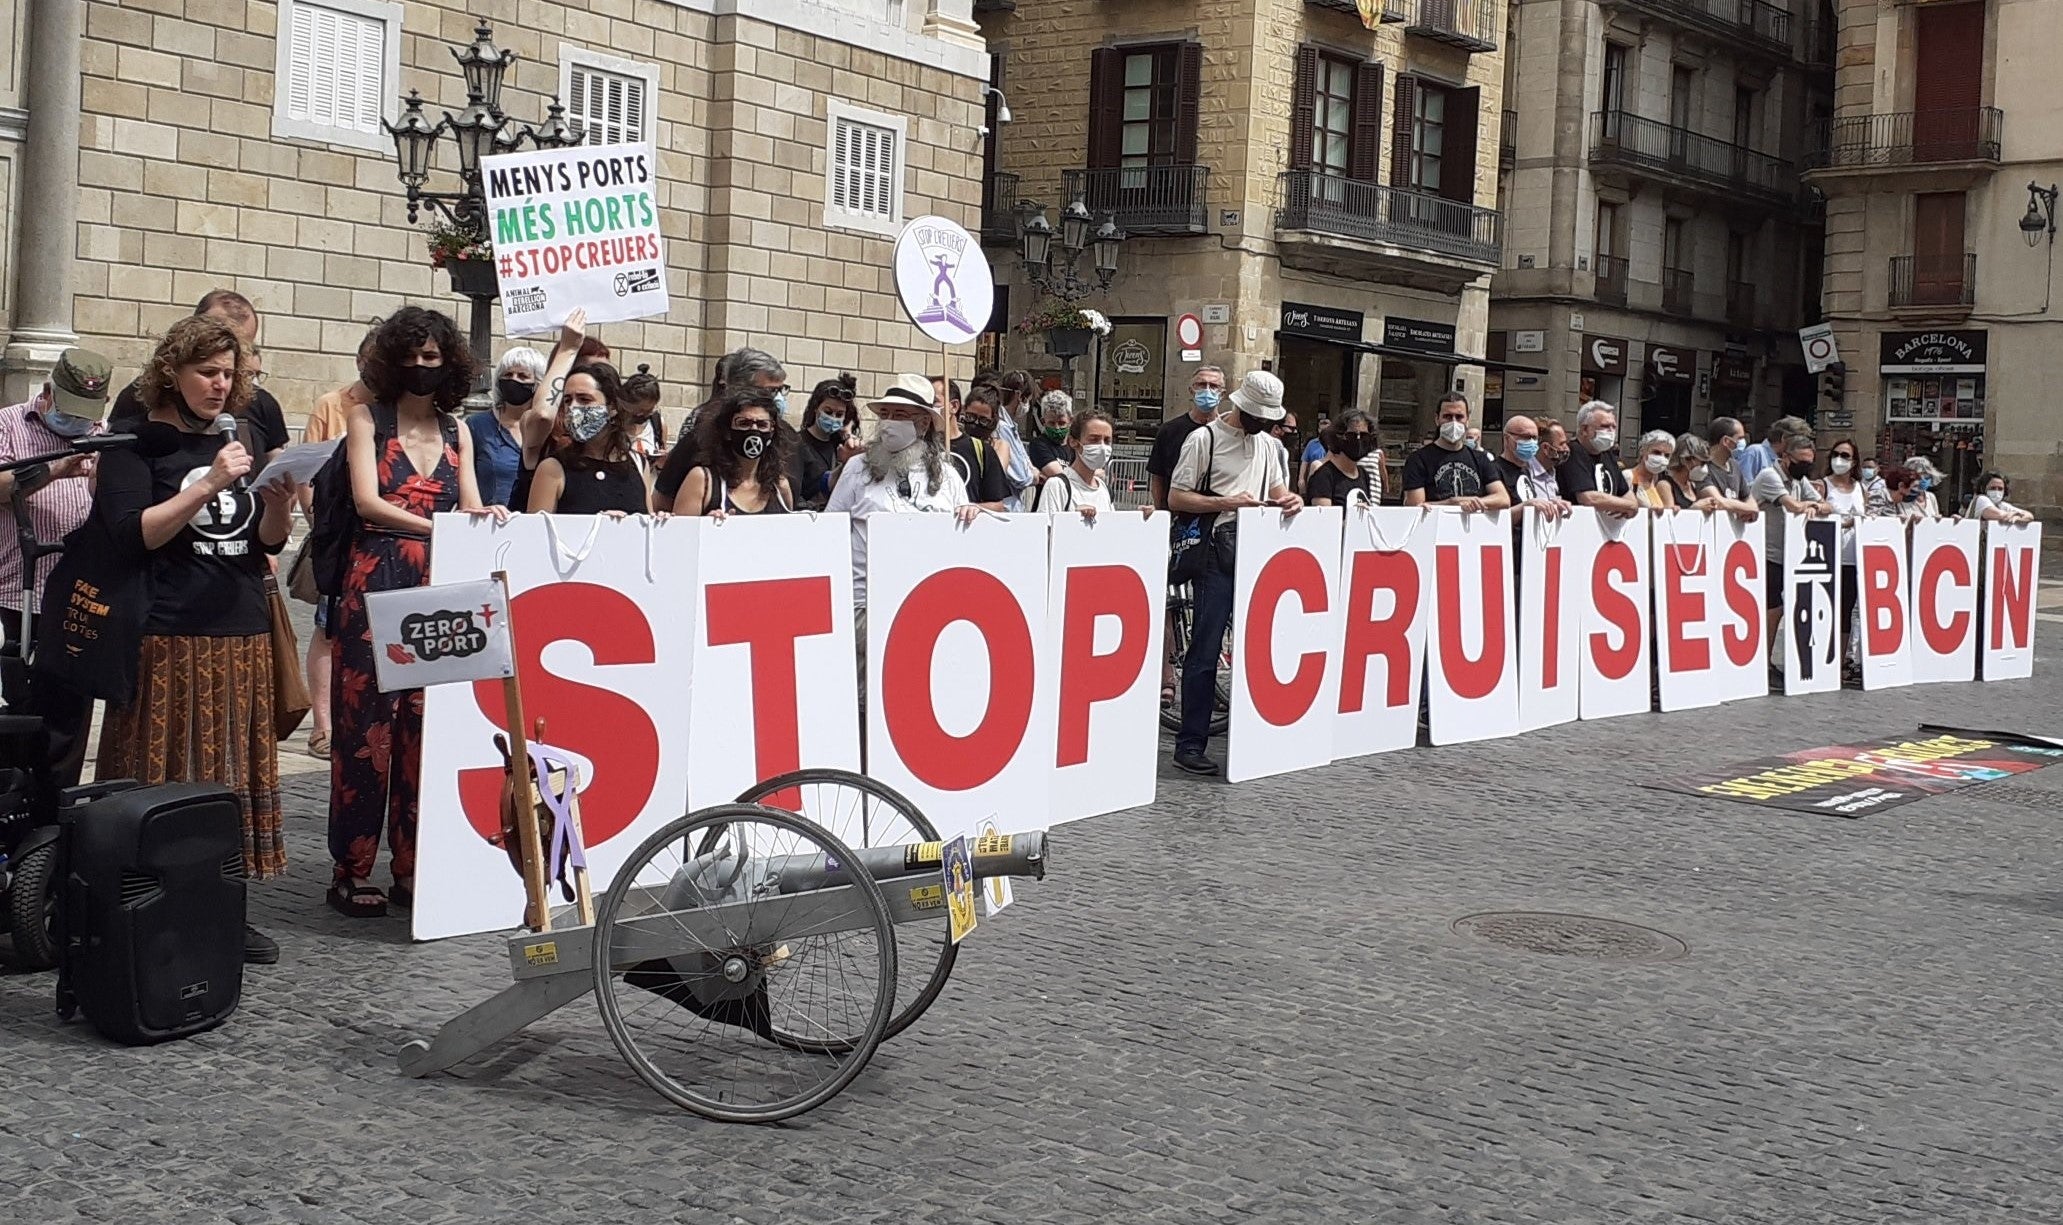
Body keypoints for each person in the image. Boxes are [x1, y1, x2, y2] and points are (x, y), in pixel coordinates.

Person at [92, 316, 295, 962]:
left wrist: (279, 505)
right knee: (163, 774)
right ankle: (151, 908)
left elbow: (262, 543)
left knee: (226, 782)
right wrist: (208, 481)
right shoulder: (136, 439)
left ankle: (224, 912)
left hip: (239, 633)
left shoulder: (244, 432)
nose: (219, 384)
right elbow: (133, 534)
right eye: (207, 371)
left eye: (229, 374)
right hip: (166, 636)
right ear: (172, 371)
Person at [328, 307, 496, 920]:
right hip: (377, 579)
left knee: (426, 731)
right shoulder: (364, 420)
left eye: (433, 357)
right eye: (412, 356)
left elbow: (472, 503)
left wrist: (486, 520)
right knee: (365, 732)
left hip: (438, 584)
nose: (422, 367)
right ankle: (350, 869)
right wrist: (439, 526)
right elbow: (368, 501)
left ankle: (412, 865)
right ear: (390, 360)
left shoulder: (459, 431)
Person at [1166, 370, 1299, 777]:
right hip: (1215, 550)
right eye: (1260, 416)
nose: (1266, 425)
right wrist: (1228, 502)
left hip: (1256, 549)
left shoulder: (1269, 447)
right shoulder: (1203, 439)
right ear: (1241, 406)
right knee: (1205, 648)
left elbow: (1278, 492)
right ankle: (1190, 742)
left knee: (1259, 643)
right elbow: (1175, 496)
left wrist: (1289, 500)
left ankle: (1255, 736)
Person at [826, 375, 980, 694]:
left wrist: (974, 516)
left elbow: (964, 541)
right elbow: (831, 530)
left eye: (901, 416)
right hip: (863, 607)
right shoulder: (857, 470)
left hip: (923, 609)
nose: (889, 424)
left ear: (923, 424)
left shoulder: (948, 478)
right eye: (886, 414)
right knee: (865, 698)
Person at [0, 348, 112, 781]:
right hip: (18, 591)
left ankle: (56, 812)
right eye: (70, 411)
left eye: (87, 414)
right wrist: (55, 469)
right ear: (47, 393)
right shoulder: (10, 425)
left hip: (80, 594)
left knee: (69, 712)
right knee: (22, 706)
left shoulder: (105, 434)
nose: (79, 422)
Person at [110, 290, 289, 467]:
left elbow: (275, 462)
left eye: (244, 344)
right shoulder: (139, 394)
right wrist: (210, 483)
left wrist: (282, 492)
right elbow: (111, 473)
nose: (227, 347)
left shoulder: (262, 402)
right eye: (208, 372)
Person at [656, 347, 787, 505]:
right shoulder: (699, 439)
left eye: (781, 390)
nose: (777, 398)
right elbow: (661, 501)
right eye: (771, 391)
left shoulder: (789, 438)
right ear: (739, 390)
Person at [528, 361, 657, 516]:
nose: (573, 408)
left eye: (584, 399)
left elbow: (648, 527)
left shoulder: (638, 464)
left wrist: (662, 522)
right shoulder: (552, 468)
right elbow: (536, 534)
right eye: (568, 400)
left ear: (612, 407)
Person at [1751, 432, 1829, 636]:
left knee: (1783, 608)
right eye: (1801, 462)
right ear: (1786, 457)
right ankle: (1763, 661)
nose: (1805, 467)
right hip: (1767, 553)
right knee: (1771, 608)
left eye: (1809, 463)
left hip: (1789, 554)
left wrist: (1816, 506)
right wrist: (1811, 504)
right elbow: (1793, 506)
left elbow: (1828, 506)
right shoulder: (1770, 475)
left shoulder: (1798, 480)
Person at [675, 386, 795, 517]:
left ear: (772, 432)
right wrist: (707, 525)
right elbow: (681, 533)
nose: (754, 430)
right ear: (727, 431)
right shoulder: (702, 481)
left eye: (762, 425)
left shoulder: (780, 486)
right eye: (744, 423)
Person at [466, 347, 546, 508]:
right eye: (508, 375)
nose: (513, 380)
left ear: (538, 384)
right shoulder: (477, 426)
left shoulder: (548, 430)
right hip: (489, 523)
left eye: (523, 376)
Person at [1402, 393, 1509, 512]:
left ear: (1467, 420)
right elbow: (1415, 505)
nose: (1453, 422)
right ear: (1437, 419)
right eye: (1447, 417)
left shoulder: (1480, 458)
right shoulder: (1418, 459)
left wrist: (1474, 502)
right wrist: (1452, 503)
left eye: (1459, 417)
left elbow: (1503, 499)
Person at [1035, 409, 1141, 521]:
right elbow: (1044, 532)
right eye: (1094, 439)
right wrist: (1072, 519)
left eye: (1107, 440)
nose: (1102, 447)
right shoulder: (1057, 486)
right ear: (1073, 442)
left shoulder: (1103, 488)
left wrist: (1139, 518)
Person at [1148, 365, 1227, 510]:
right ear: (1191, 390)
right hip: (1177, 515)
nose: (1207, 390)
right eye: (1201, 385)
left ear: (1222, 394)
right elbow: (1158, 476)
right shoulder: (1169, 431)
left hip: (1216, 515)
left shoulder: (1228, 433)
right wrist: (1160, 512)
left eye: (1214, 386)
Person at [790, 374, 861, 512]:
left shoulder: (841, 445)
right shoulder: (796, 443)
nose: (833, 418)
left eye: (839, 414)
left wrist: (847, 435)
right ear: (816, 408)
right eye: (828, 412)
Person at [1558, 400, 1639, 516]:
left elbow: (1627, 494)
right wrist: (1629, 506)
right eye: (1605, 426)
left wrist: (1629, 505)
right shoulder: (1573, 452)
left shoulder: (1608, 455)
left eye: (1613, 427)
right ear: (1584, 429)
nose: (1611, 431)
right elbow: (1588, 498)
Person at [946, 382, 1012, 511]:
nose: (975, 423)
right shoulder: (956, 441)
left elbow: (995, 492)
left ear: (993, 420)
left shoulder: (996, 447)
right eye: (971, 417)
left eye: (983, 420)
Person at [1491, 414, 1567, 514]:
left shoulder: (1525, 470)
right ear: (1507, 438)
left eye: (1535, 438)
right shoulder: (1493, 470)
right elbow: (1493, 516)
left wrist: (1552, 504)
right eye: (1526, 437)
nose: (1531, 442)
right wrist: (1525, 507)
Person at [1306, 410, 1384, 507]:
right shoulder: (1323, 476)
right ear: (1339, 438)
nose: (1358, 440)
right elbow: (1324, 519)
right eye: (1352, 436)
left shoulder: (1363, 475)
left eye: (1364, 436)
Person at [1692, 417, 1759, 521]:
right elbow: (1718, 502)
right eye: (1740, 438)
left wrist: (1749, 508)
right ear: (1726, 441)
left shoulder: (1734, 465)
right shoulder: (1703, 467)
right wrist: (1749, 508)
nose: (1744, 442)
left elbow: (1747, 496)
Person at [621, 364, 668, 472]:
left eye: (650, 409)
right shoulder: (615, 425)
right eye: (640, 410)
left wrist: (662, 462)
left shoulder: (658, 424)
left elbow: (661, 467)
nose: (646, 415)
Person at [1737, 415, 1809, 485]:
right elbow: (1743, 486)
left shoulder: (1789, 460)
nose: (1801, 446)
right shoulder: (1755, 452)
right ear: (1784, 438)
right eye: (1798, 441)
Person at [1024, 390, 1075, 481]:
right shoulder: (1038, 444)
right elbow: (1060, 476)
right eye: (1051, 423)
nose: (1057, 428)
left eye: (1062, 423)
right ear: (1043, 422)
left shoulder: (1075, 445)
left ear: (1070, 421)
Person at [1627, 430, 1678, 510]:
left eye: (1667, 455)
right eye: (1656, 452)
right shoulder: (1628, 477)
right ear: (1643, 451)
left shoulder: (1655, 481)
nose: (1662, 458)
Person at [1969, 472, 2034, 524]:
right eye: (1993, 488)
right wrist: (2016, 514)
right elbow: (2000, 516)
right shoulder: (1981, 499)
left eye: (2000, 489)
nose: (1996, 491)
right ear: (1983, 488)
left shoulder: (2001, 505)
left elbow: (2029, 515)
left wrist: (2018, 518)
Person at [1300, 417, 1334, 492]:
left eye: (1327, 430)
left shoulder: (1335, 444)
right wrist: (1301, 478)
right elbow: (1304, 462)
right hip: (1313, 478)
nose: (1324, 433)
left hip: (1330, 480)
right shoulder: (1311, 444)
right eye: (1322, 430)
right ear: (1318, 430)